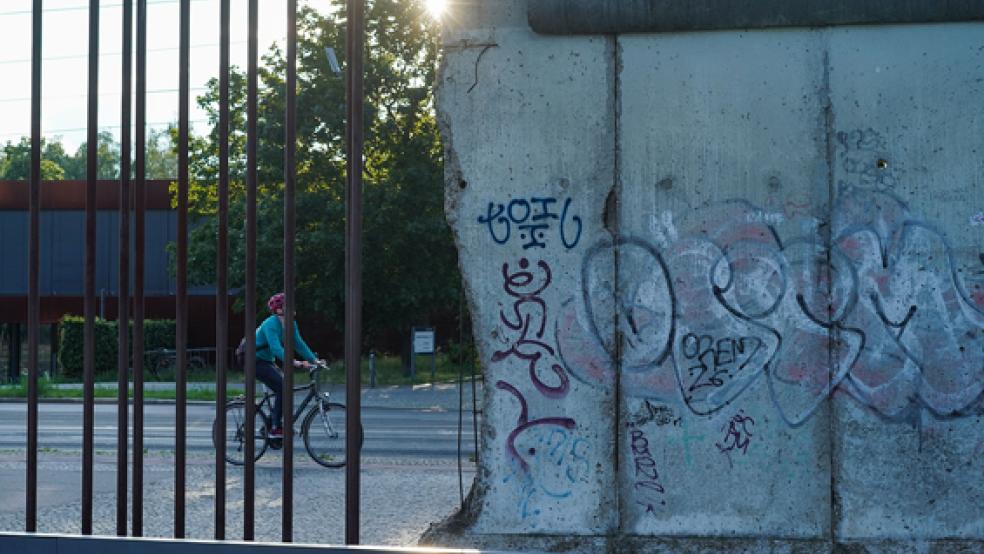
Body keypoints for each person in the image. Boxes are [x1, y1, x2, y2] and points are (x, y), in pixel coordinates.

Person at [255, 292, 321, 438]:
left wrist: (314, 360)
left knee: (285, 388)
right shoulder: (270, 324)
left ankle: (270, 424)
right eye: (287, 305)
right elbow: (276, 349)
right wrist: (295, 362)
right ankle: (275, 428)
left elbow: (298, 344)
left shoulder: (291, 323)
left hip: (266, 360)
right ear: (279, 310)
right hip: (253, 360)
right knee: (283, 387)